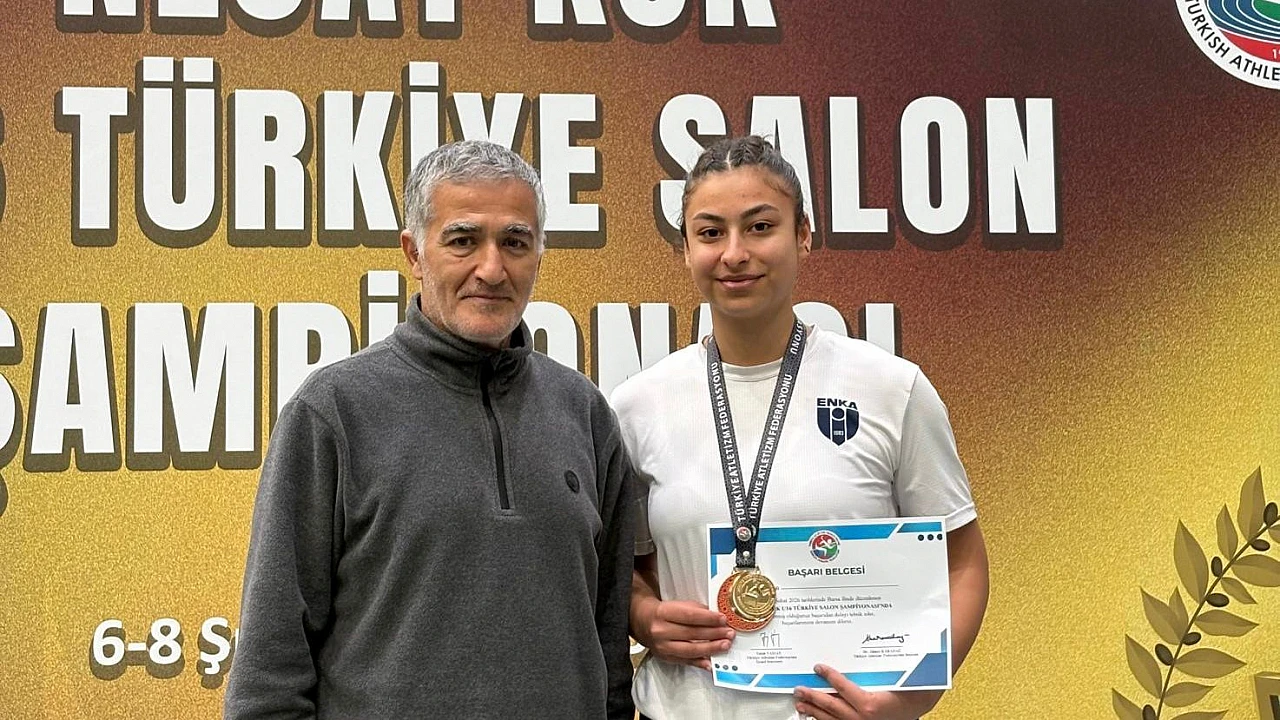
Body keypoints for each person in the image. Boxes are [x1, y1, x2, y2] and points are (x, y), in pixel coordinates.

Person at [225, 140, 636, 719]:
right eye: (463, 240)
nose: (491, 269)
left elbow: (610, 651)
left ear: (540, 255)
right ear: (414, 253)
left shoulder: (584, 413)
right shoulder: (333, 412)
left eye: (515, 242)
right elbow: (269, 668)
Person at [613, 136, 989, 720]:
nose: (735, 253)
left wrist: (908, 700)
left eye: (760, 227)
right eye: (710, 233)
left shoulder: (891, 389)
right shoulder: (638, 406)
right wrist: (643, 617)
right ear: (685, 250)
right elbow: (630, 567)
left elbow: (961, 564)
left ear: (804, 235)